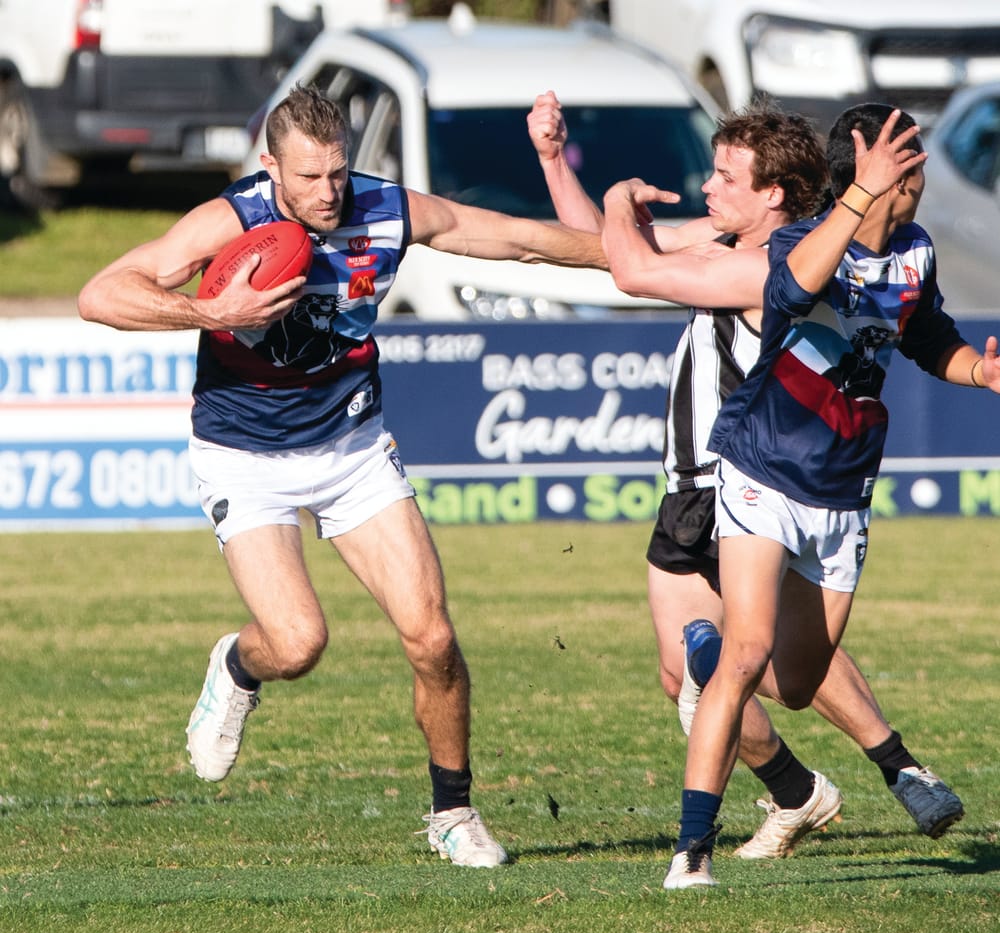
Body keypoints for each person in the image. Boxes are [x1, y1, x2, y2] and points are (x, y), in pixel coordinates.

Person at [78, 84, 608, 869]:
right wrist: (213, 314)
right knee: (297, 644)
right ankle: (236, 665)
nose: (329, 193)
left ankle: (453, 813)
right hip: (244, 456)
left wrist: (628, 258)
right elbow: (102, 293)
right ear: (271, 168)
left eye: (338, 173)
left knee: (432, 637)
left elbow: (514, 239)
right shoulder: (234, 220)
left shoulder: (385, 209)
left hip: (353, 447)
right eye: (309, 178)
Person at [527, 91, 964, 865]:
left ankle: (881, 768)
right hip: (717, 481)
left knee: (743, 655)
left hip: (732, 476)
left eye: (727, 175)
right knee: (705, 666)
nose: (707, 185)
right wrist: (557, 161)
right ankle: (804, 790)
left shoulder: (773, 259)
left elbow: (624, 261)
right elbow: (604, 244)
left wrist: (618, 201)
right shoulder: (732, 236)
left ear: (774, 194)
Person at [665, 103, 999, 889]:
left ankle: (707, 654)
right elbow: (793, 286)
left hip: (842, 492)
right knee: (750, 654)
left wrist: (979, 371)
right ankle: (692, 853)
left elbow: (926, 337)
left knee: (798, 682)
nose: (919, 172)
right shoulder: (800, 240)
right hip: (761, 468)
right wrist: (856, 199)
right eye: (906, 158)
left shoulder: (915, 252)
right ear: (872, 170)